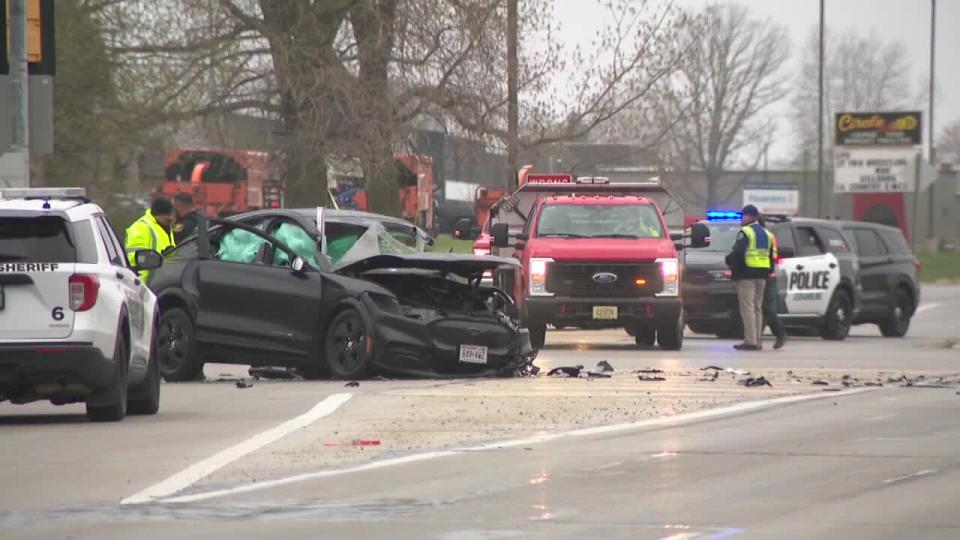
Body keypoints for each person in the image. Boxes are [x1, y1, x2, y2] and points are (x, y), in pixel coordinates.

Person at [724, 205, 775, 351]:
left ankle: (750, 341)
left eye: (743, 216)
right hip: (762, 274)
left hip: (747, 274)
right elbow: (771, 255)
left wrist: (729, 260)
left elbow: (739, 252)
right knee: (757, 308)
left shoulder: (746, 232)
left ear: (751, 217)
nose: (742, 218)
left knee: (747, 308)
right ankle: (757, 340)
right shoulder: (767, 233)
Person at [125, 197, 176, 282]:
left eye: (171, 214)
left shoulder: (166, 228)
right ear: (158, 214)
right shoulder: (141, 227)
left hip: (161, 280)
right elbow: (134, 258)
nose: (171, 218)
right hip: (143, 282)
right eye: (167, 215)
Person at [758, 216, 787, 350]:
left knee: (766, 307)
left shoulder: (767, 236)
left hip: (767, 275)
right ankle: (756, 337)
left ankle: (780, 334)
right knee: (758, 307)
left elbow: (772, 256)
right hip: (756, 274)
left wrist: (767, 271)